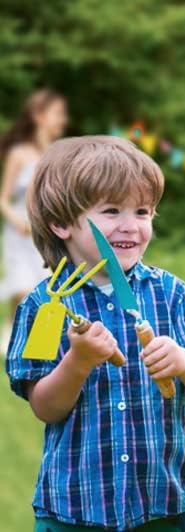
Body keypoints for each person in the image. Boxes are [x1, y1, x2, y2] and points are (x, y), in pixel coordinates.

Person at [6, 136, 185, 531]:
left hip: (162, 507)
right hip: (75, 511)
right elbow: (45, 407)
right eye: (111, 211)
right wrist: (78, 362)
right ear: (61, 223)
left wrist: (184, 362)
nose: (131, 226)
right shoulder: (48, 307)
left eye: (142, 212)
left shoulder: (171, 294)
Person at [0, 89, 67, 355]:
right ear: (38, 116)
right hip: (20, 234)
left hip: (48, 232)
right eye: (57, 114)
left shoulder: (58, 154)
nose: (62, 120)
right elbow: (3, 198)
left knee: (49, 290)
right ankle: (11, 338)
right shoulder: (19, 154)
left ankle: (42, 349)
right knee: (23, 289)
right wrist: (17, 220)